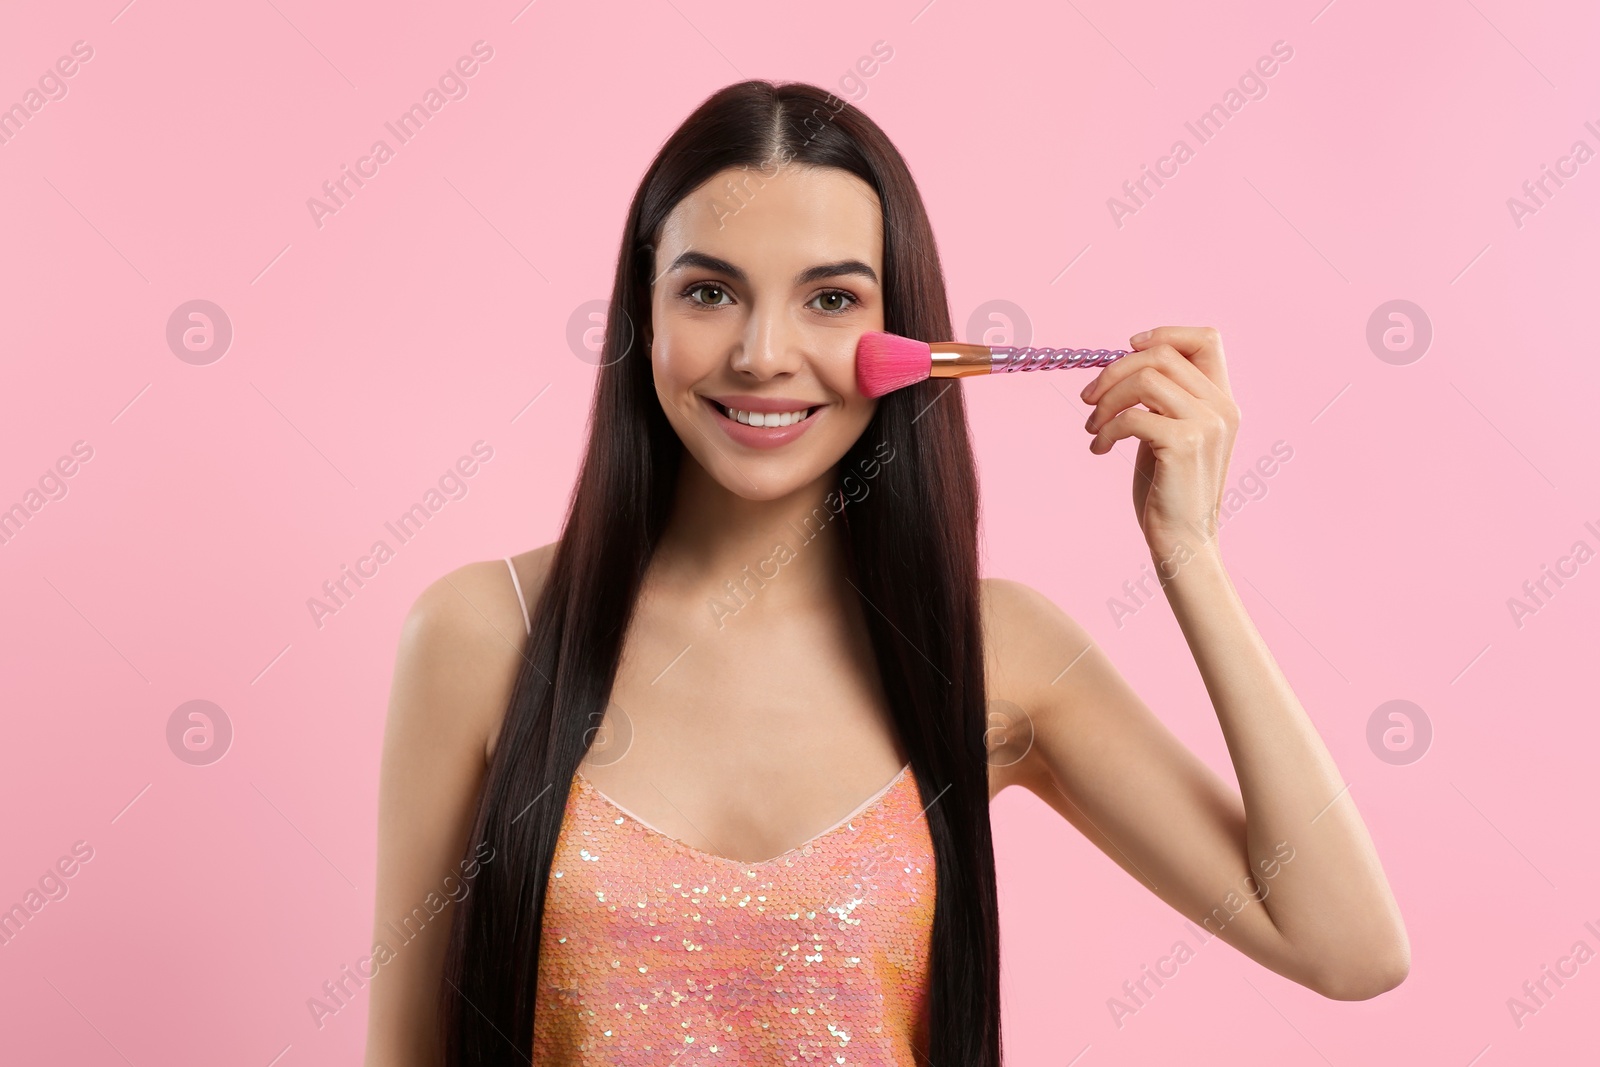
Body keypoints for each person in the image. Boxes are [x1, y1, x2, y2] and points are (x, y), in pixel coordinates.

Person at [363, 79, 1408, 1067]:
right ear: (643, 314)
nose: (764, 352)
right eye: (711, 290)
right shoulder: (479, 630)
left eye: (829, 297)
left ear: (901, 333)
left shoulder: (999, 654)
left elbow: (1346, 946)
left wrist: (1189, 555)